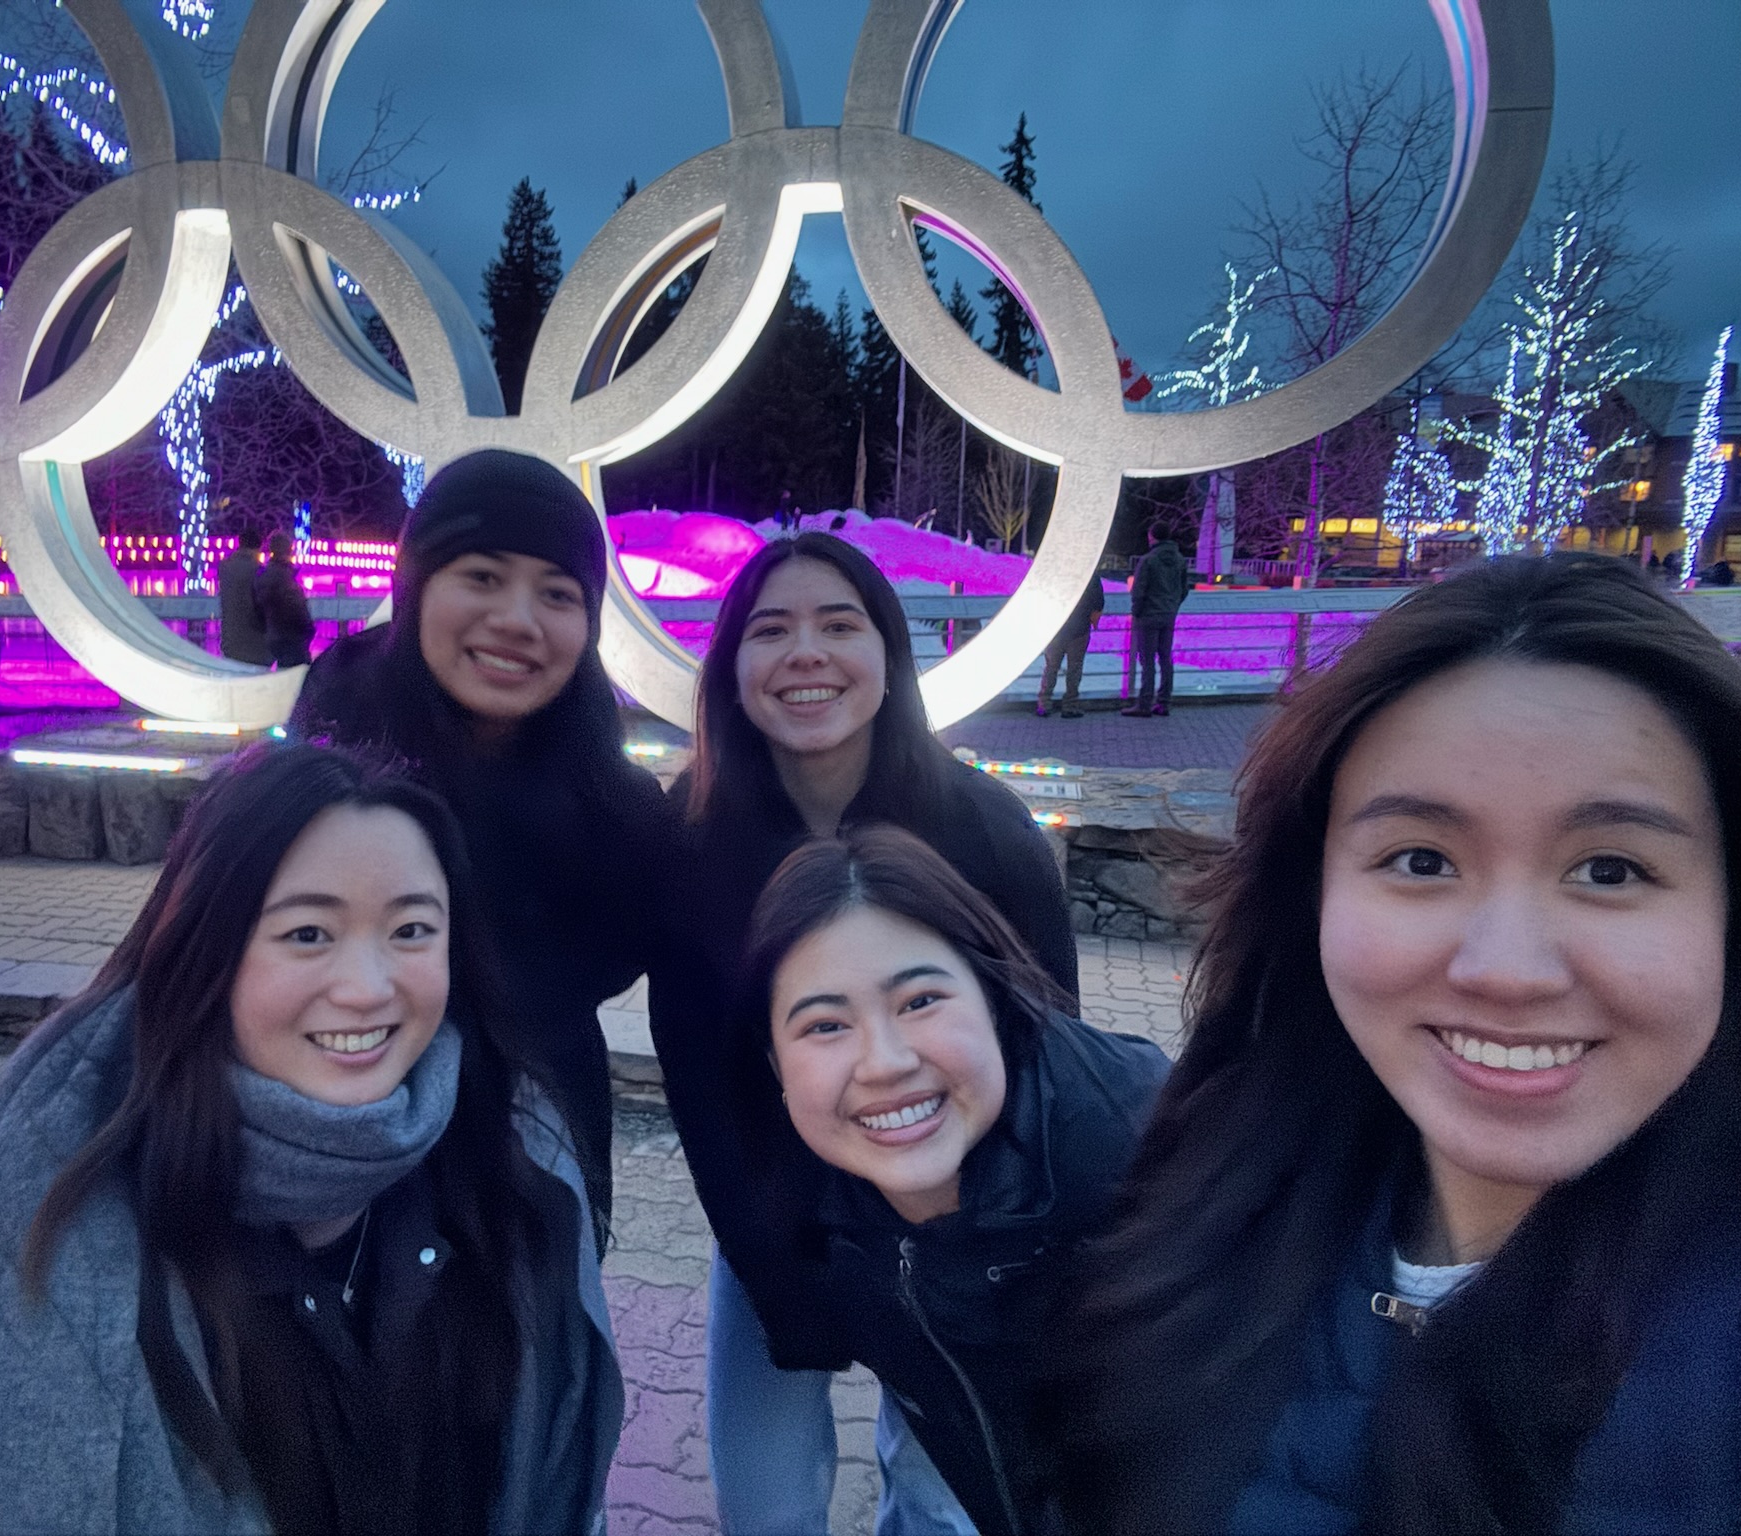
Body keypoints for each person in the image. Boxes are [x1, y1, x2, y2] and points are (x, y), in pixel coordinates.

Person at [1038, 554, 1740, 1534]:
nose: (1505, 968)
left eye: (1609, 869)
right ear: (1313, 890)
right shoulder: (1216, 1189)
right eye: (1420, 860)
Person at [0, 745, 622, 1535]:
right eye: (308, 933)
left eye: (412, 929)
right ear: (210, 949)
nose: (366, 988)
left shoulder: (510, 1167)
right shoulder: (71, 1192)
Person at [649, 531, 1080, 1535]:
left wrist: (995, 1240)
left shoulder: (985, 833)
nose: (806, 652)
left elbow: (1048, 1056)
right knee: (761, 1503)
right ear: (732, 670)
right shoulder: (693, 837)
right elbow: (695, 1071)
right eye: (771, 630)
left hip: (953, 1226)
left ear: (888, 660)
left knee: (943, 1504)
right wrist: (759, 1250)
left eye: (839, 625)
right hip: (768, 1210)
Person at [745, 827, 1166, 1535]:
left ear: (995, 1003)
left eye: (919, 1002)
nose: (883, 1063)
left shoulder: (1148, 1158)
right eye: (824, 1025)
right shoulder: (823, 1204)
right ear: (775, 1065)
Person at [291, 449, 668, 1217]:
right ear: (416, 587)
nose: (517, 621)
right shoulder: (314, 780)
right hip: (330, 1170)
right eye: (482, 577)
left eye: (558, 593)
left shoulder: (617, 809)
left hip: (540, 1170)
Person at [1121, 522, 1186, 717]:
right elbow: (1184, 589)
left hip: (1148, 616)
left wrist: (1137, 612)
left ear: (1152, 537)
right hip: (1168, 615)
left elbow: (1139, 591)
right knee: (1166, 658)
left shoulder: (1148, 560)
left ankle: (1144, 703)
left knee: (1147, 661)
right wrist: (1172, 605)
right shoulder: (1179, 560)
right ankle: (1164, 702)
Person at [1033, 572, 1105, 718]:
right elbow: (1098, 601)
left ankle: (1044, 702)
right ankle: (1070, 705)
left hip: (1056, 628)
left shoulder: (1057, 572)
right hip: (1080, 627)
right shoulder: (1090, 574)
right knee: (1075, 668)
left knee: (1051, 667)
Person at [254, 531, 317, 669]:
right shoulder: (285, 578)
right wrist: (309, 631)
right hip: (292, 639)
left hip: (274, 636)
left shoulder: (264, 576)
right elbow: (298, 610)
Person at [216, 528, 272, 665]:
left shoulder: (225, 568)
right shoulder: (259, 571)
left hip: (230, 640)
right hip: (255, 644)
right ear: (259, 547)